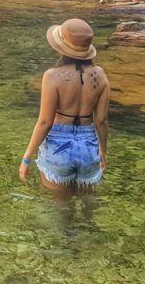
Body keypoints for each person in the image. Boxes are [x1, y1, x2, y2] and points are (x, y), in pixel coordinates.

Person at [18, 18, 110, 209]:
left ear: (61, 48)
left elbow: (45, 122)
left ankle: (64, 239)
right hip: (88, 147)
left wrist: (27, 157)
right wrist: (103, 151)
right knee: (89, 207)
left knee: (60, 209)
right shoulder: (100, 75)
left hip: (58, 149)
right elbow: (101, 121)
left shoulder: (52, 76)